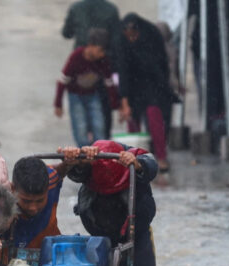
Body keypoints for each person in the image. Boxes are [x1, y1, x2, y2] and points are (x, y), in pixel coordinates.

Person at [118, 13, 175, 172]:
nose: (131, 39)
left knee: (154, 117)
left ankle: (161, 157)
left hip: (153, 84)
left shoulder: (151, 36)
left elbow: (160, 67)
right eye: (127, 35)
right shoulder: (122, 43)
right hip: (132, 86)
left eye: (133, 35)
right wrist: (124, 102)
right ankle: (132, 157)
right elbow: (123, 70)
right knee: (132, 121)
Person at [62, 0, 120, 139]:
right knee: (103, 112)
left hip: (81, 66)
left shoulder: (76, 8)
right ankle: (103, 147)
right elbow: (117, 41)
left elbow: (66, 33)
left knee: (81, 111)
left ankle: (85, 150)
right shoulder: (111, 9)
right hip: (103, 65)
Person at [54, 29, 118, 148]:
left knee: (99, 124)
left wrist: (115, 103)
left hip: (93, 95)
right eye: (100, 50)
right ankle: (84, 155)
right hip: (75, 96)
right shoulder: (76, 57)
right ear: (90, 46)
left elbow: (109, 82)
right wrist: (58, 104)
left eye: (103, 51)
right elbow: (63, 81)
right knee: (80, 127)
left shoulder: (103, 61)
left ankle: (101, 153)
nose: (101, 54)